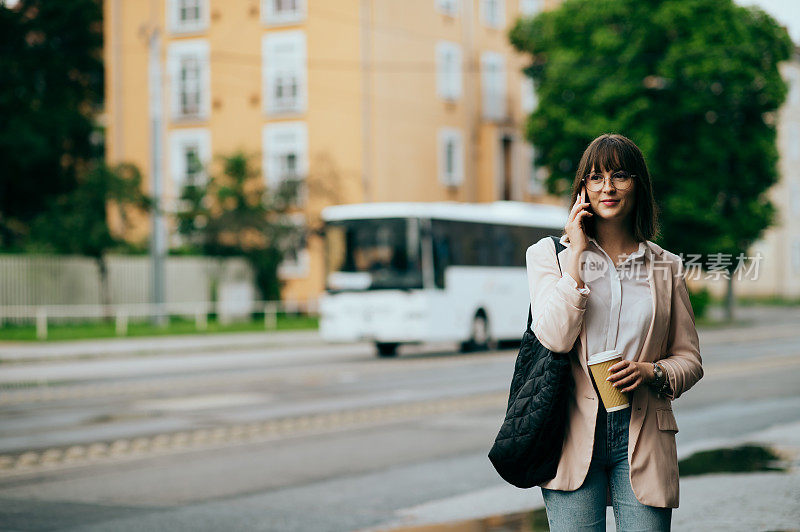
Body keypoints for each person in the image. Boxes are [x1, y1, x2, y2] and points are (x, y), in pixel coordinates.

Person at [525, 133, 704, 531]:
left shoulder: (666, 267)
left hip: (643, 430)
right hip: (571, 431)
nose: (607, 187)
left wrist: (652, 372)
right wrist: (575, 253)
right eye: (595, 177)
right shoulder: (546, 256)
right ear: (582, 190)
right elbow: (554, 337)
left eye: (619, 175)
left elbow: (689, 358)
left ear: (638, 183)